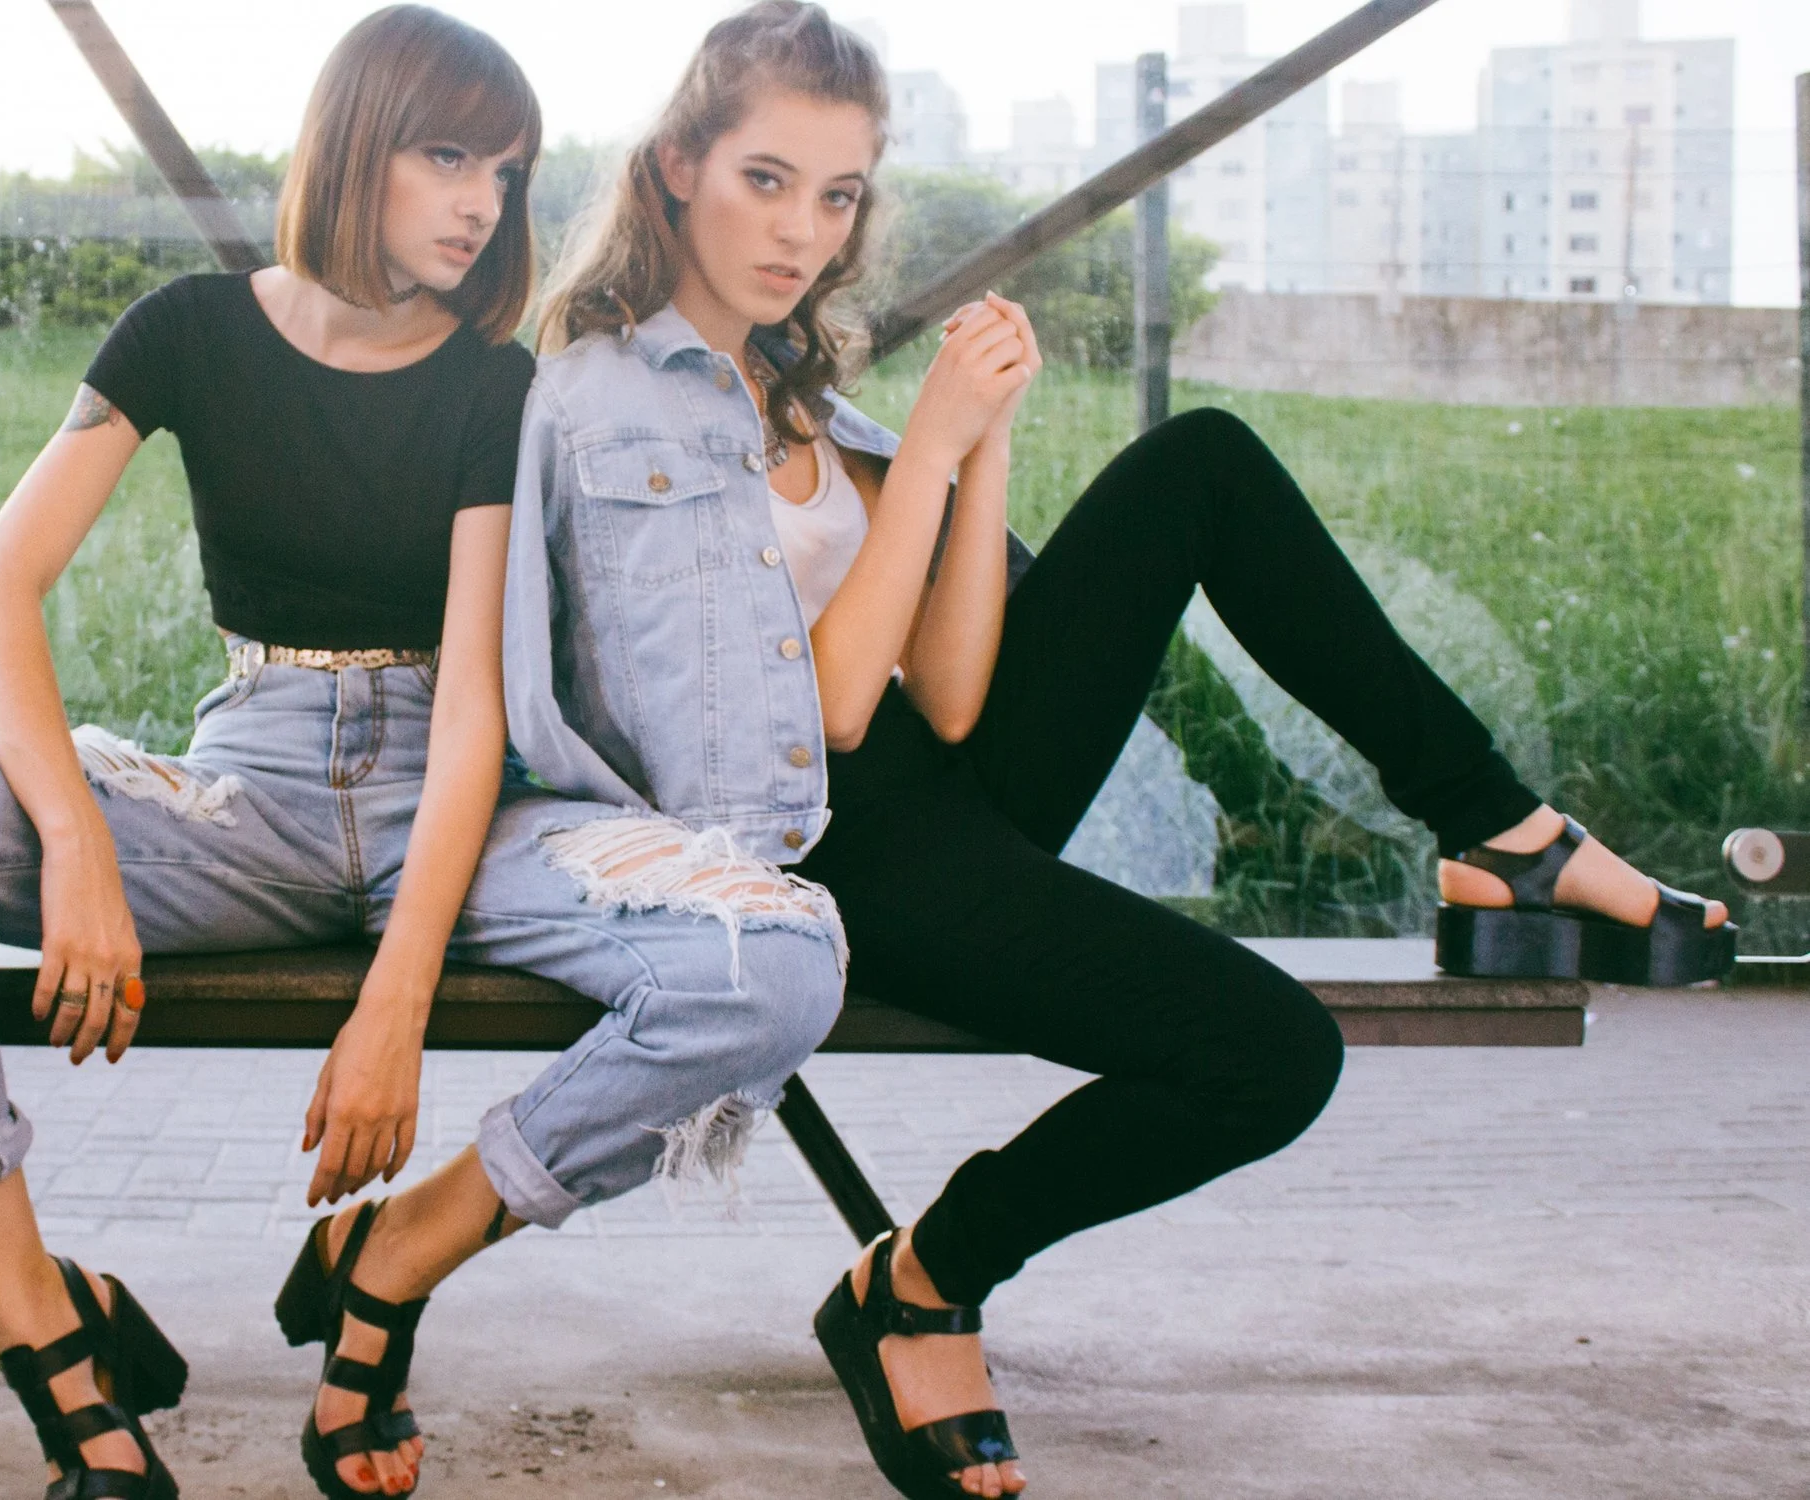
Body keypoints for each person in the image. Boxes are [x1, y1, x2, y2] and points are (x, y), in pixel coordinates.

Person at [503, 5, 1733, 1496]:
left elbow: (948, 699)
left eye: (836, 196)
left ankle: (1500, 833)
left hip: (928, 783)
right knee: (1272, 1056)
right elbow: (820, 717)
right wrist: (937, 456)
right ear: (679, 165)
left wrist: (987, 442)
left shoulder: (800, 391)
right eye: (766, 180)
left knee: (1198, 466)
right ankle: (927, 1276)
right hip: (812, 848)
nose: (803, 233)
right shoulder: (603, 395)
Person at [0, 9, 847, 1499]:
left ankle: (394, 1259)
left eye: (506, 174)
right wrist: (75, 843)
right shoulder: (188, 333)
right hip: (240, 794)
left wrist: (393, 1014)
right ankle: (52, 1351)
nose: (479, 202)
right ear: (354, 142)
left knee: (773, 962)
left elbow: (472, 705)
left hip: (458, 809)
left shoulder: (488, 385)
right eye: (446, 154)